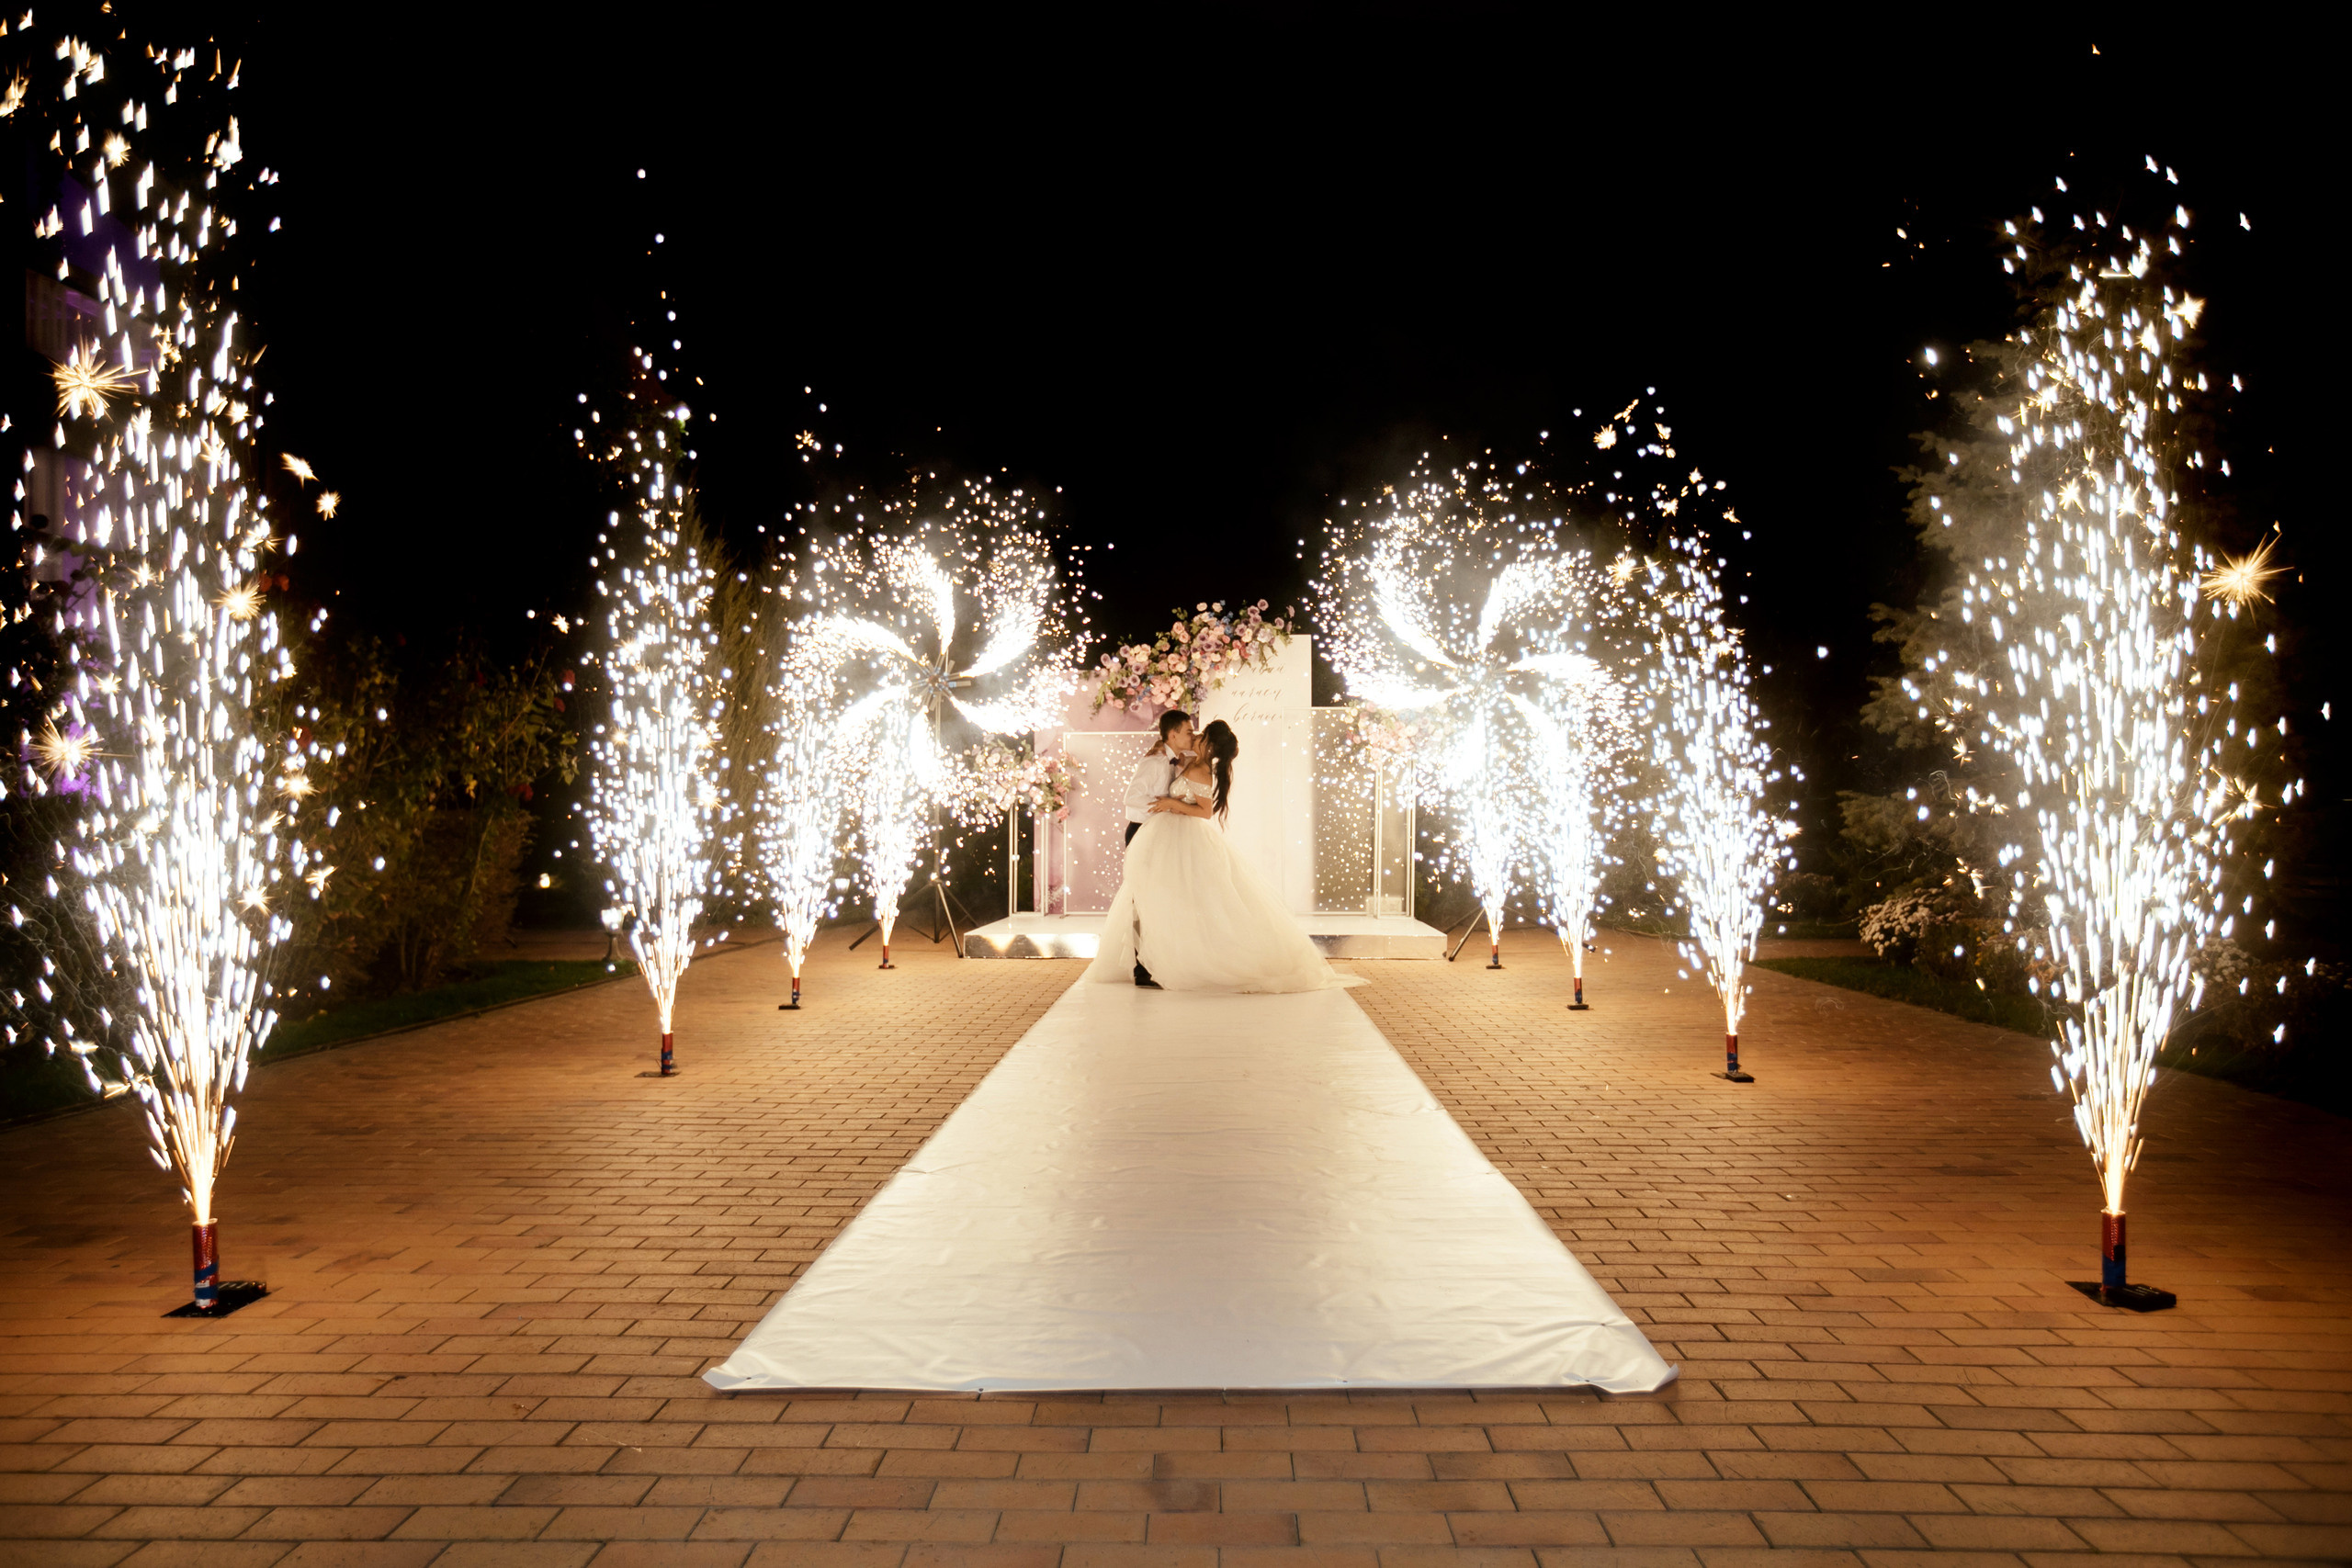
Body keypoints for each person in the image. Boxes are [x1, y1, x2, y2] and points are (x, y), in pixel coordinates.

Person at [1087, 719, 1348, 994]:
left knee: (1174, 898)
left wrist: (1172, 803)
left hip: (1178, 837)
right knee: (1153, 899)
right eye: (1192, 732)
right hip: (1165, 834)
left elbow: (1205, 811)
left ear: (1209, 745)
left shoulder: (1200, 770)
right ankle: (1151, 962)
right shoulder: (1188, 761)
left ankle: (1164, 962)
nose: (1196, 736)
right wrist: (1165, 755)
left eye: (1201, 735)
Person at [1118, 710, 1193, 987]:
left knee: (1158, 898)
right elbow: (1131, 797)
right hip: (1142, 833)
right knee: (1143, 901)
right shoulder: (1153, 762)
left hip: (1157, 835)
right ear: (1173, 734)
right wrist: (1164, 804)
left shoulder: (1173, 760)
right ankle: (1141, 969)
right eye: (1188, 731)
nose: (1193, 736)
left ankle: (1155, 961)